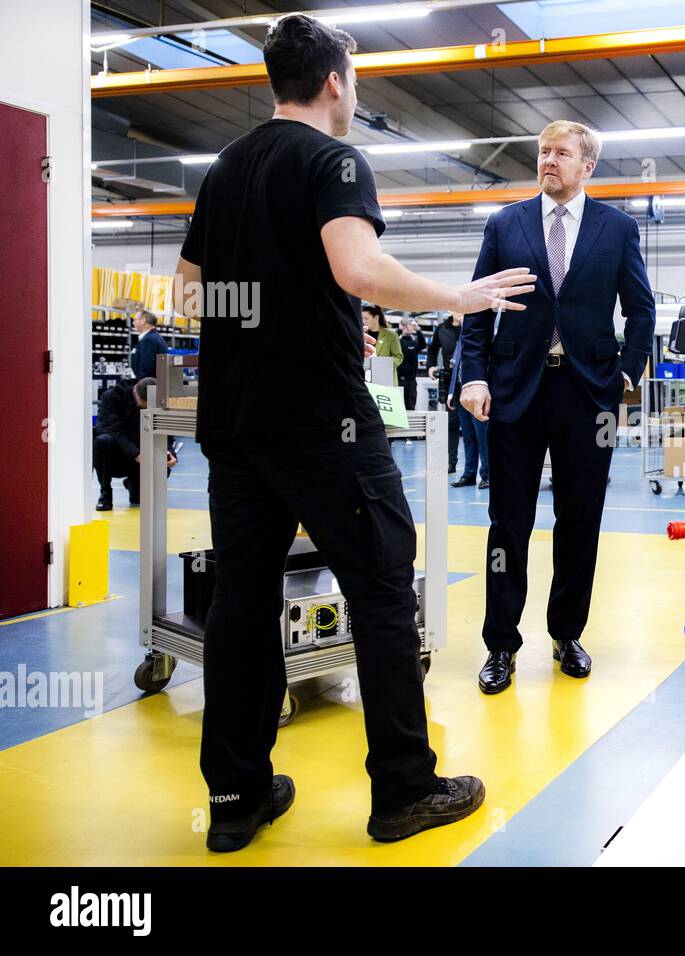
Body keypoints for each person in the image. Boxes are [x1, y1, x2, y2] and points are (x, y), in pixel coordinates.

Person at [173, 13, 534, 852]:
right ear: (334, 80)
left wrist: (288, 317)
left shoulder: (225, 168)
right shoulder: (334, 159)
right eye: (355, 78)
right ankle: (405, 788)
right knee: (379, 590)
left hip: (236, 427)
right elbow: (356, 266)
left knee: (242, 601)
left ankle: (236, 795)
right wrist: (459, 297)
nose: (356, 91)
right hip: (323, 427)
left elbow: (191, 297)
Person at [460, 119, 655, 694]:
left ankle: (567, 632)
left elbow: (640, 310)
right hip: (516, 390)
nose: (548, 161)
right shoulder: (505, 223)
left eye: (561, 153)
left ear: (587, 165)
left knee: (580, 520)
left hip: (588, 395)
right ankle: (501, 644)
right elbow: (477, 307)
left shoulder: (616, 228)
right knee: (507, 524)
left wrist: (626, 372)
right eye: (543, 152)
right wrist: (473, 376)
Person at [92, 377, 175, 511]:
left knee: (138, 499)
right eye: (144, 405)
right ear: (136, 394)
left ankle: (133, 484)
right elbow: (112, 431)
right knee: (102, 441)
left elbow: (165, 431)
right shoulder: (112, 397)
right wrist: (135, 453)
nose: (146, 408)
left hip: (141, 456)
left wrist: (170, 452)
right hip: (118, 456)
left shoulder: (158, 401)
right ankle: (105, 492)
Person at [446, 317, 489, 489]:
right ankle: (469, 474)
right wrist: (451, 393)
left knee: (482, 437)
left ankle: (487, 474)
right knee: (468, 437)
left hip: (478, 394)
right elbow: (456, 368)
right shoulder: (461, 338)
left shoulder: (482, 337)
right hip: (460, 393)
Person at [428, 313, 462, 474]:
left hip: (468, 379)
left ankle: (484, 470)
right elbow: (432, 349)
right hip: (450, 380)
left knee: (476, 429)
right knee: (452, 423)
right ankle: (451, 462)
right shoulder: (442, 329)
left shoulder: (471, 327)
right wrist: (431, 365)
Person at [129, 309, 169, 380]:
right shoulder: (155, 337)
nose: (133, 323)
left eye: (135, 320)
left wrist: (139, 386)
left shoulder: (148, 340)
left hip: (147, 386)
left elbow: (146, 367)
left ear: (143, 320)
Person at [362, 304, 402, 375]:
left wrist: (381, 365)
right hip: (364, 376)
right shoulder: (362, 334)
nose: (363, 321)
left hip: (385, 376)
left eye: (366, 318)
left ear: (376, 318)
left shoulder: (391, 335)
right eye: (362, 318)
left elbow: (398, 357)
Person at [397, 319, 426, 412]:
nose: (407, 328)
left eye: (408, 327)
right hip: (399, 379)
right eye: (405, 326)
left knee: (411, 405)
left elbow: (423, 344)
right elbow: (393, 339)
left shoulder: (414, 343)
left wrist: (417, 329)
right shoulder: (398, 342)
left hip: (411, 380)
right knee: (399, 405)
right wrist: (400, 329)